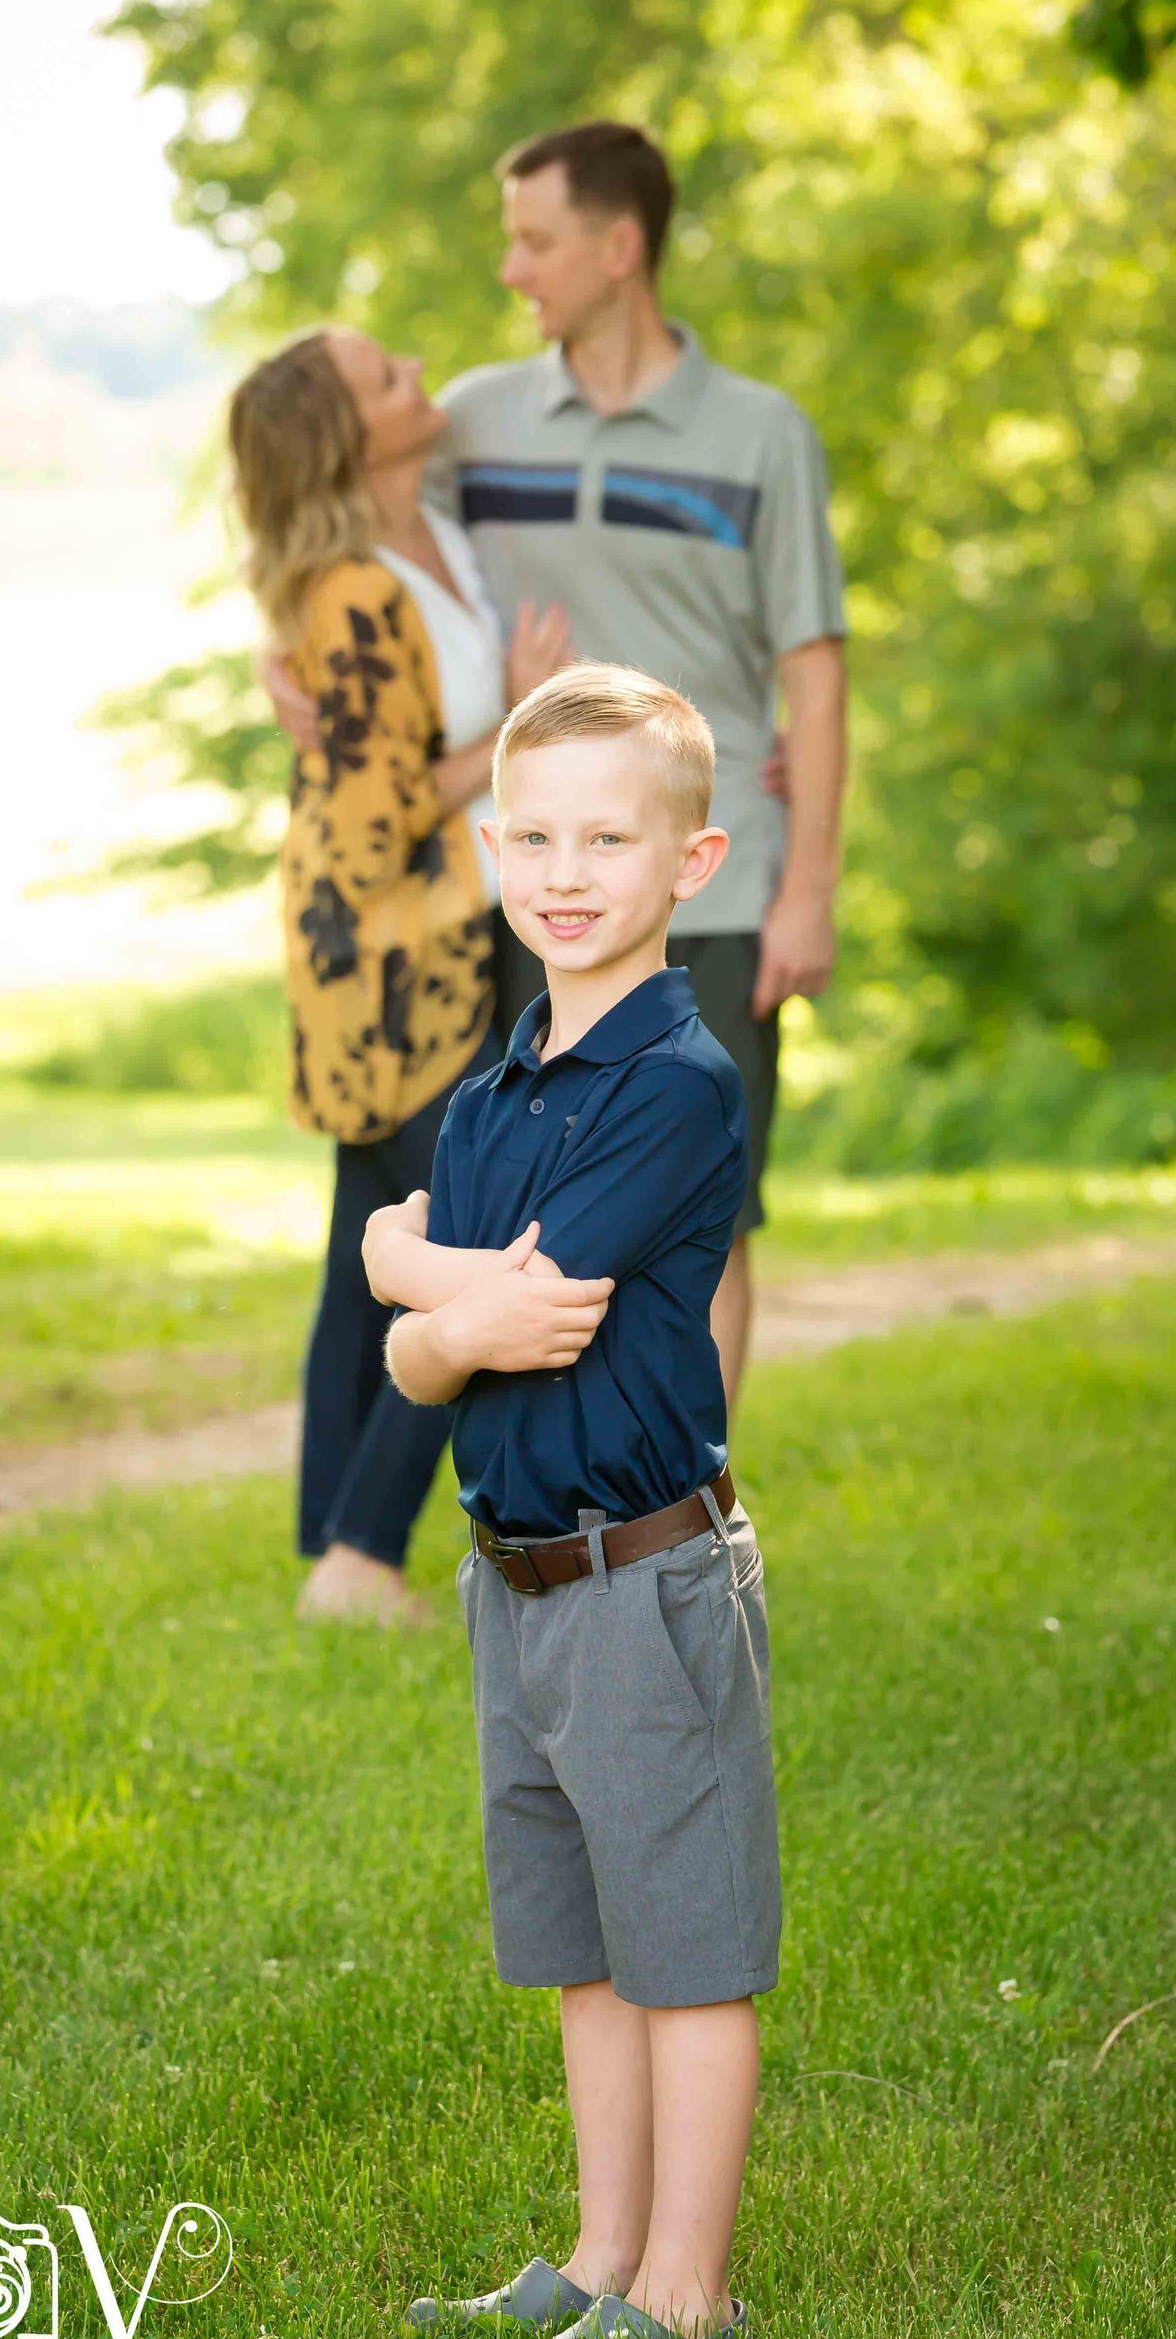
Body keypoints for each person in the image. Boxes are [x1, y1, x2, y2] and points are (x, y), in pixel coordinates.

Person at [266, 117, 848, 1416]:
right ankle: (551, 1492)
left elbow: (815, 668)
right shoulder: (473, 416)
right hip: (534, 878)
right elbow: (346, 523)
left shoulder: (761, 436)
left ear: (619, 247)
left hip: (718, 877)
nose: (513, 268)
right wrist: (279, 644)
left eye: (535, 239)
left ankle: (691, 1492)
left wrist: (811, 883)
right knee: (532, 1199)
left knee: (709, 1207)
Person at [362, 665, 778, 2339]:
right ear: (487, 845)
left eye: (609, 836)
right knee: (587, 1945)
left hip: (642, 1570)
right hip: (517, 1579)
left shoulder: (678, 1084)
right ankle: (605, 2258)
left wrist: (405, 1270)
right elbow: (428, 1370)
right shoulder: (489, 1095)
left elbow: (543, 1309)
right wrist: (430, 1313)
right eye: (533, 833)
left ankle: (691, 2296)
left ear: (691, 862)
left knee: (684, 1947)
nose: (565, 867)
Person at [229, 326, 569, 1625]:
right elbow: (379, 821)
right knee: (475, 1258)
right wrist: (524, 719)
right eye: (383, 376)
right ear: (344, 437)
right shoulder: (357, 591)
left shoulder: (426, 537)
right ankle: (365, 1555)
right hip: (392, 965)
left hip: (428, 945)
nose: (415, 371)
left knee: (357, 1257)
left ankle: (331, 1539)